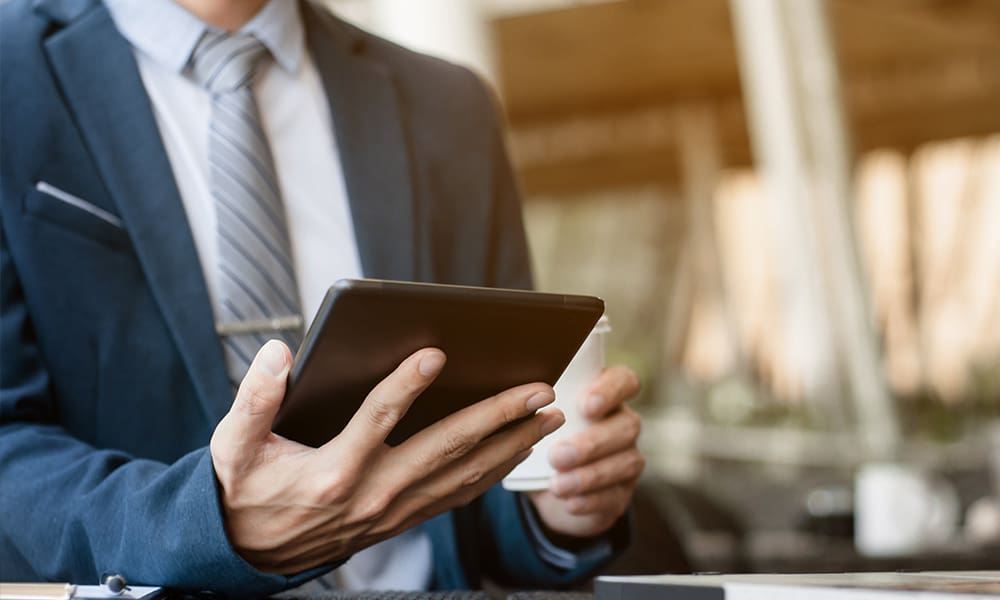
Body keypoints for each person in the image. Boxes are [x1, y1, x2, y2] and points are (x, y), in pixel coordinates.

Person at [0, 0, 645, 596]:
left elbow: (481, 449)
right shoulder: (14, 73)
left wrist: (555, 506)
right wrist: (208, 523)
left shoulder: (448, 106)